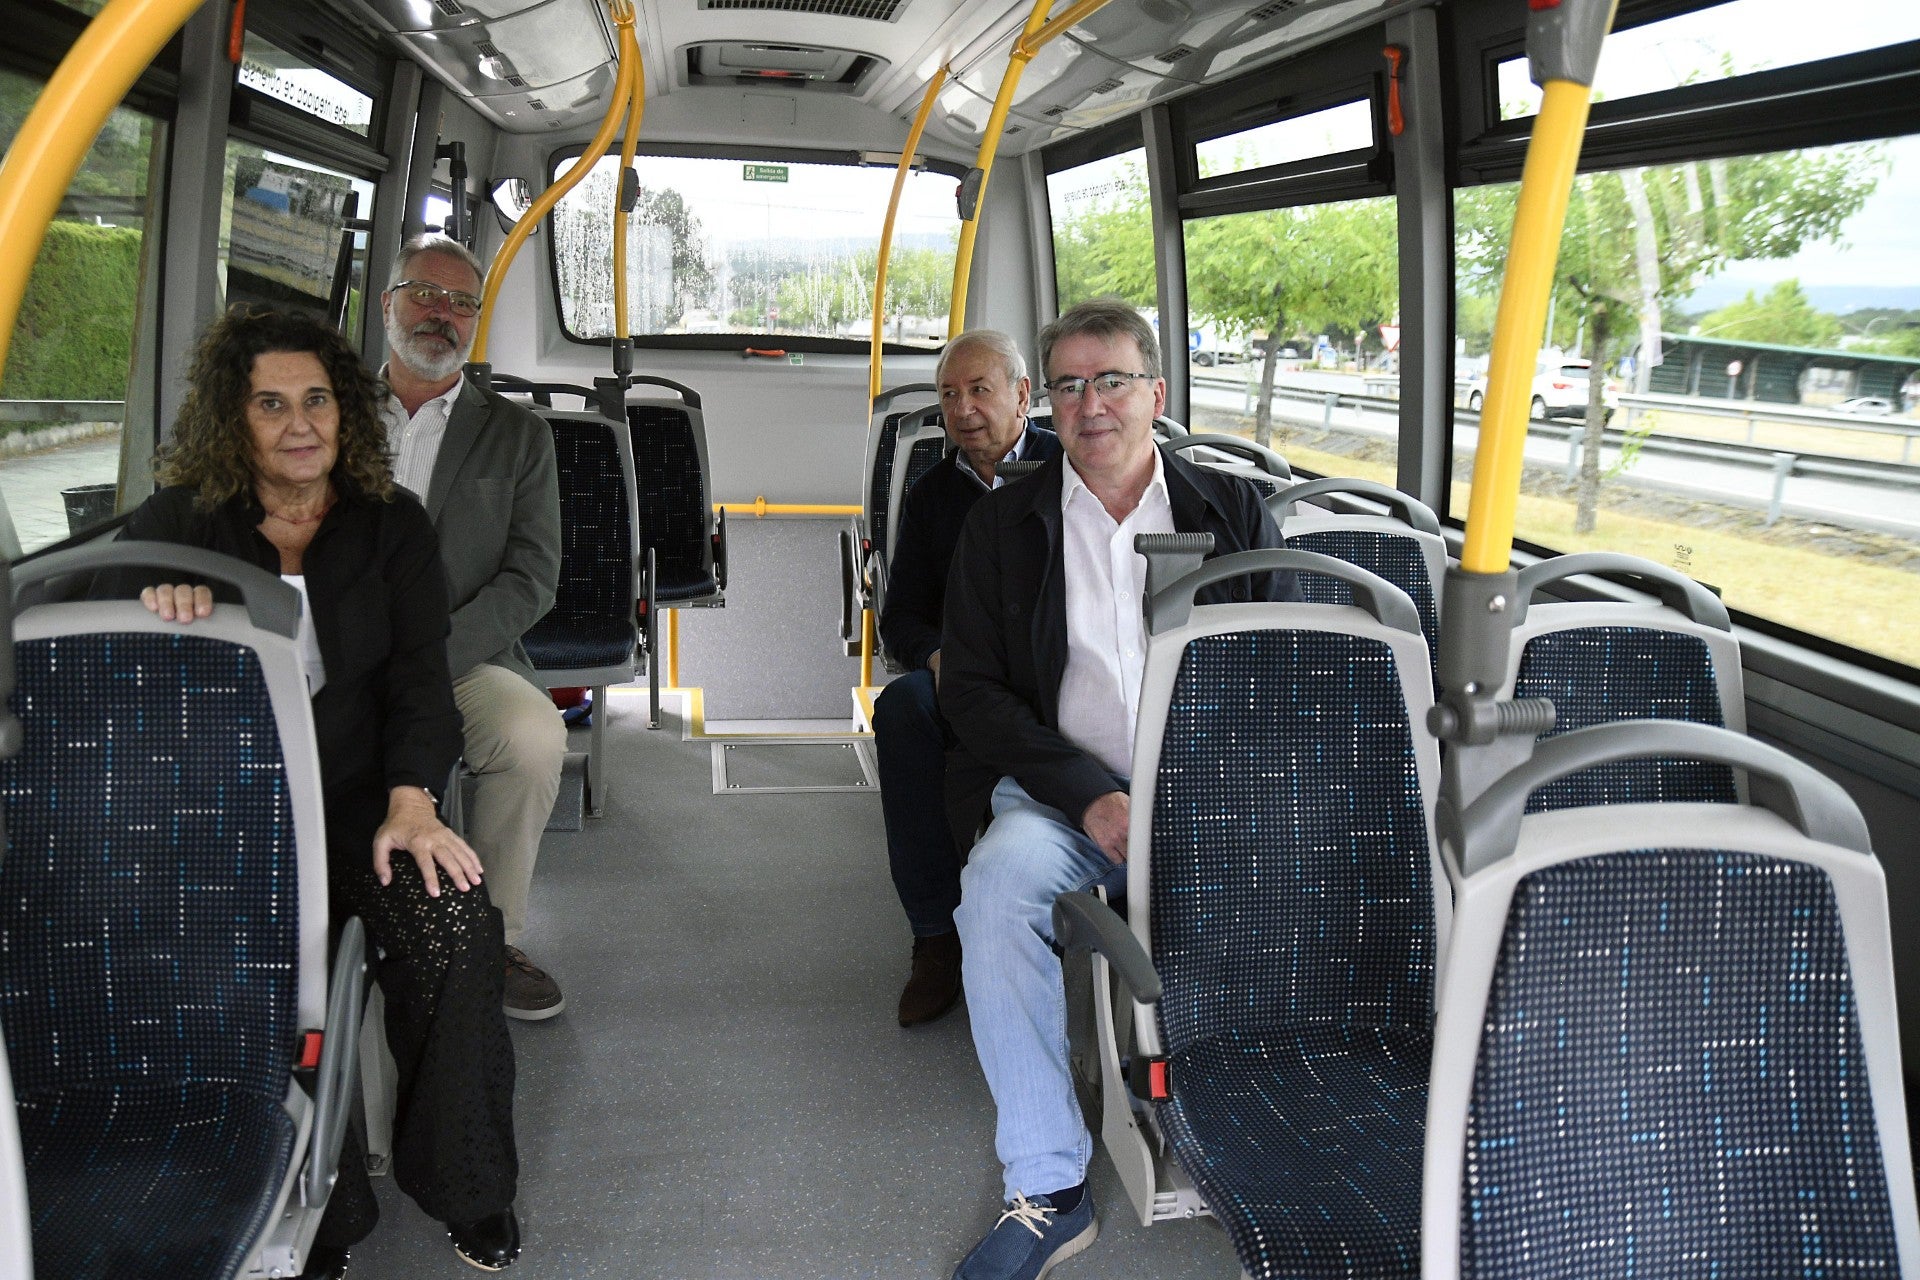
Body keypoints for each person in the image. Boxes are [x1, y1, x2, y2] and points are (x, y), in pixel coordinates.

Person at [116, 307, 523, 1276]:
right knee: (255, 971)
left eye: (317, 399)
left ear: (346, 410)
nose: (300, 424)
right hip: (225, 821)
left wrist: (414, 797)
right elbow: (84, 640)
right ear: (232, 417)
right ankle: (324, 1210)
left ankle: (466, 1183)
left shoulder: (392, 524)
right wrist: (154, 600)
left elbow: (421, 678)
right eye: (270, 404)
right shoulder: (179, 522)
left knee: (456, 929)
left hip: (358, 800)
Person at [939, 298, 1299, 1280]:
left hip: (1212, 788)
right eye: (1068, 384)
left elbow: (1280, 669)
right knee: (998, 887)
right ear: (1045, 401)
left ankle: (1269, 1127)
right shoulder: (1003, 524)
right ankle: (1050, 1185)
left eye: (1112, 380)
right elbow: (969, 687)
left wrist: (1220, 789)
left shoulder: (1229, 511)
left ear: (1156, 392)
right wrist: (1088, 791)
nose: (1091, 403)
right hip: (1059, 792)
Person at [378, 234, 568, 1022]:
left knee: (532, 739)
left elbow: (532, 577)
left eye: (462, 303)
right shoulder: (326, 414)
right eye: (425, 293)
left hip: (464, 654)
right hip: (333, 651)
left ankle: (488, 935)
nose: (441, 314)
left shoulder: (518, 437)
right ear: (388, 301)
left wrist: (430, 652)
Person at [873, 329, 1060, 1027]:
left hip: (1061, 669)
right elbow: (903, 619)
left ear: (1023, 395)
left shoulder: (1069, 467)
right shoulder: (930, 498)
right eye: (949, 394)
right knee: (903, 710)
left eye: (980, 389)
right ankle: (935, 935)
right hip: (966, 673)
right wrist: (937, 657)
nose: (963, 408)